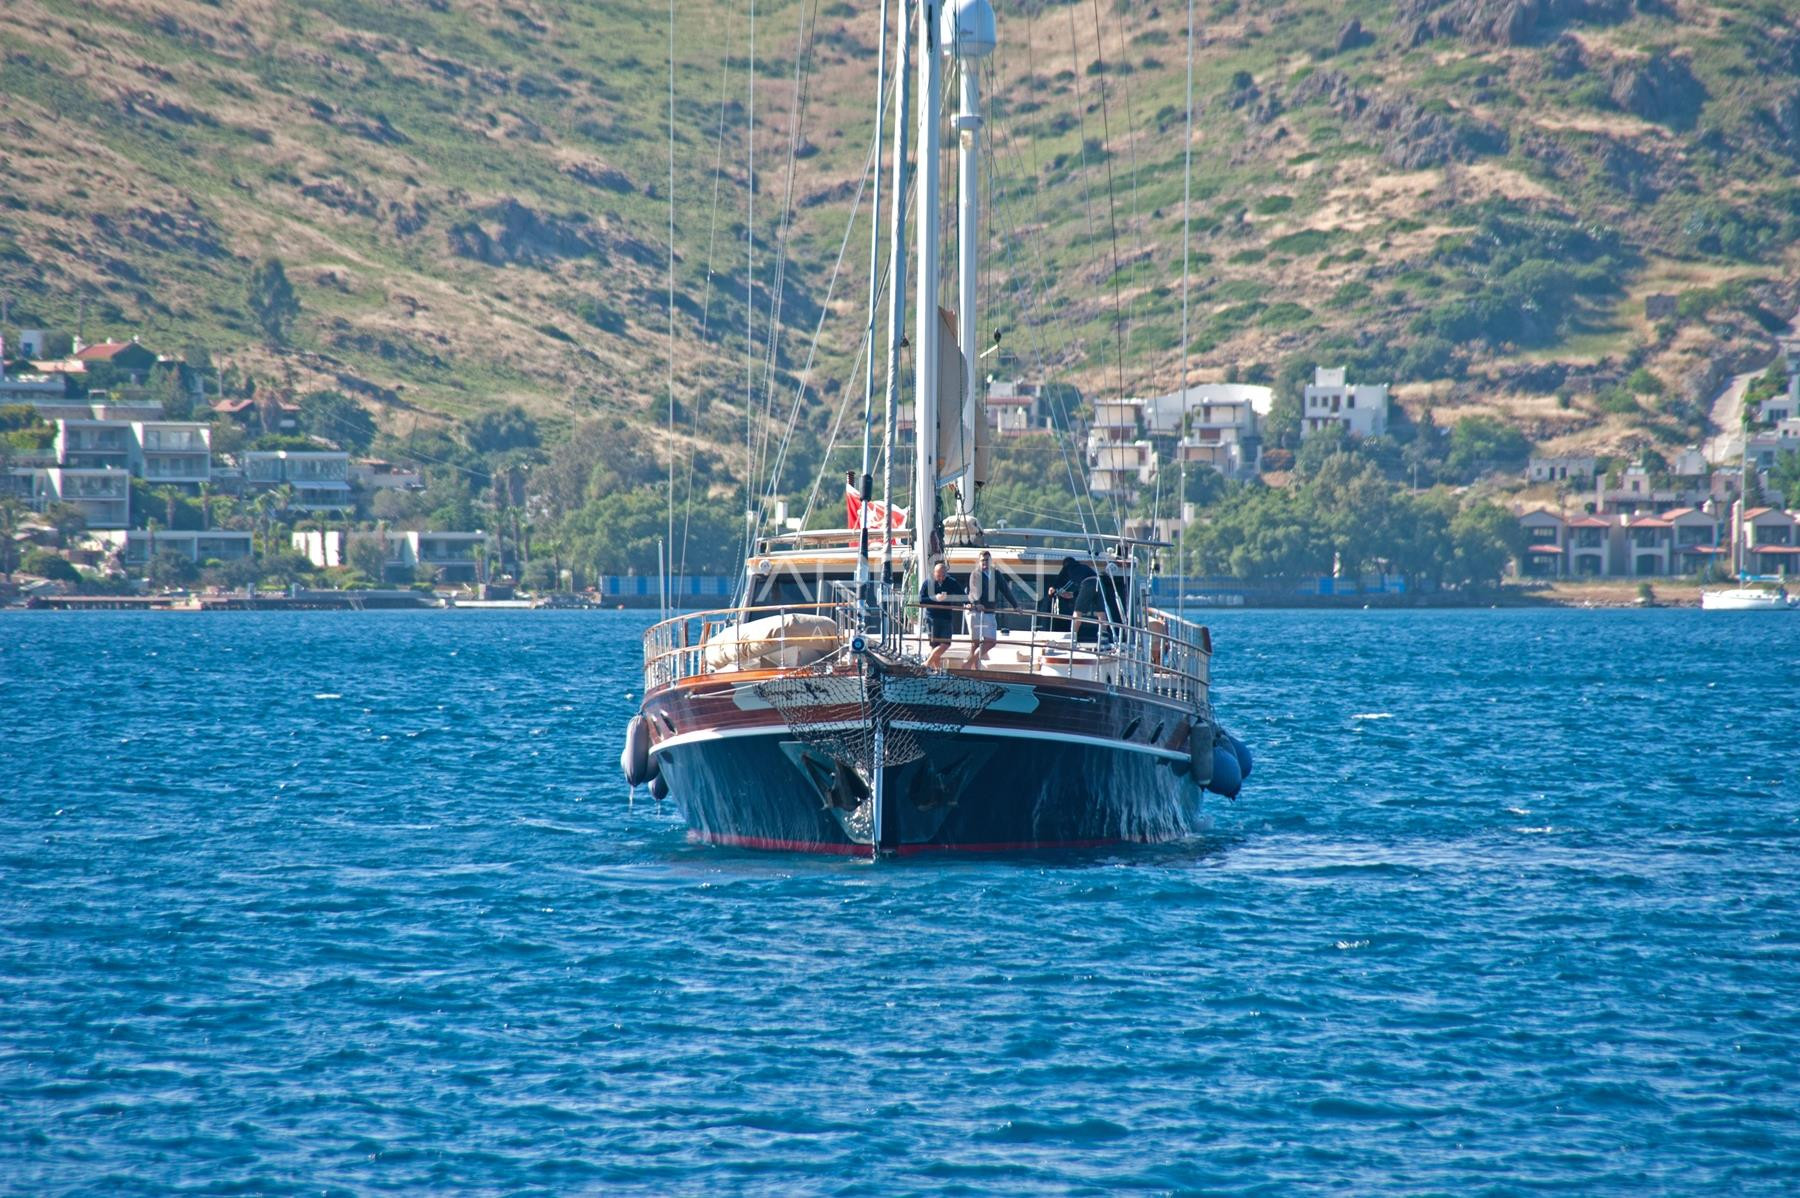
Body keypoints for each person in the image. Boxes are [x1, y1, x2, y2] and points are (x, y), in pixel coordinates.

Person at [918, 558, 965, 669]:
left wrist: (967, 603)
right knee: (934, 645)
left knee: (945, 644)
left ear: (946, 574)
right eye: (938, 575)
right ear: (934, 573)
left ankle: (927, 664)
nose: (941, 578)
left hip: (946, 617)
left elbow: (962, 594)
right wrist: (935, 598)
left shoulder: (951, 582)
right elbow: (921, 599)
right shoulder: (928, 582)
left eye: (943, 575)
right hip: (932, 618)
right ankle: (936, 671)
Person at [965, 550, 999, 668]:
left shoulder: (996, 574)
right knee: (975, 643)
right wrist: (977, 603)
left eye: (987, 560)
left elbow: (1006, 590)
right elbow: (973, 590)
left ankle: (968, 664)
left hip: (989, 612)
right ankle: (974, 667)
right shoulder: (975, 574)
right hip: (976, 611)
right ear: (979, 562)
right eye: (982, 560)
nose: (985, 562)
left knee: (991, 641)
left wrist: (1016, 606)